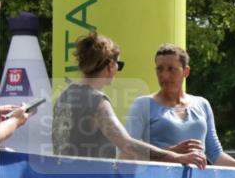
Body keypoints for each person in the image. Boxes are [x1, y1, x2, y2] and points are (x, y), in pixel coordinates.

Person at [52, 31, 206, 167]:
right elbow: (126, 144)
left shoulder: (64, 95)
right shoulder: (97, 101)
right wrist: (177, 157)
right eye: (119, 64)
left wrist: (167, 152)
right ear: (111, 66)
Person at [125, 44, 235, 170]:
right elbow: (126, 154)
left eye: (171, 69)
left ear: (186, 71)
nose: (164, 75)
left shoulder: (202, 104)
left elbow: (215, 154)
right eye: (160, 69)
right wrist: (172, 153)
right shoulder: (142, 104)